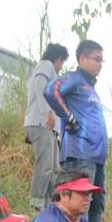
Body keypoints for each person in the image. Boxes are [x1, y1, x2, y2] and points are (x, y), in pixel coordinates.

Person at [44, 40, 108, 222]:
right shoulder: (75, 78)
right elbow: (51, 90)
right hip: (79, 156)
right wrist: (69, 117)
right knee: (77, 205)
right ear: (82, 59)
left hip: (96, 159)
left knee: (96, 204)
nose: (100, 64)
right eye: (96, 59)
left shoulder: (89, 87)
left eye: (102, 60)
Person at [24, 43, 69, 210]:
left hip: (47, 126)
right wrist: (47, 112)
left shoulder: (46, 69)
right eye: (62, 62)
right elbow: (39, 87)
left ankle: (51, 204)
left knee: (52, 168)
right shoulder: (46, 66)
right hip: (41, 123)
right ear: (58, 59)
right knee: (45, 166)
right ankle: (36, 203)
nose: (61, 66)